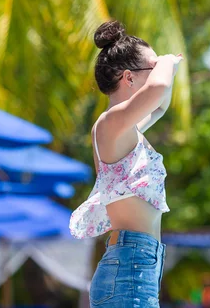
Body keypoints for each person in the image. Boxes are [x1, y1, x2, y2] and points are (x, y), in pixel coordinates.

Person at [69, 20, 183, 307]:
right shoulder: (109, 124)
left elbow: (160, 104)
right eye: (151, 66)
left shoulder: (126, 130)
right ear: (129, 78)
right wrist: (166, 62)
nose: (158, 71)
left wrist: (165, 67)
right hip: (130, 268)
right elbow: (158, 88)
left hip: (136, 266)